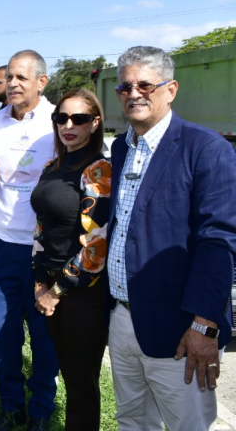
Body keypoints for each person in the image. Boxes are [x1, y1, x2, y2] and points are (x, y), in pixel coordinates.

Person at [106, 46, 236, 430]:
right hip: (123, 319)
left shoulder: (206, 149)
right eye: (125, 87)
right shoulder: (120, 147)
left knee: (187, 425)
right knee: (132, 420)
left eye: (145, 85)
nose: (134, 94)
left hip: (179, 328)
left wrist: (204, 325)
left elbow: (219, 242)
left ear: (171, 89)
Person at [0, 49, 59, 431]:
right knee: (2, 335)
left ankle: (42, 410)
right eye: (9, 77)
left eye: (22, 78)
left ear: (42, 82)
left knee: (44, 339)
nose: (12, 84)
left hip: (43, 253)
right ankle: (11, 406)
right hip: (3, 247)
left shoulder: (58, 123)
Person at [30, 88, 111, 431]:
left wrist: (56, 290)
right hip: (49, 285)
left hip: (81, 292)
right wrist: (38, 283)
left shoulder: (98, 169)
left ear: (94, 123)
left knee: (80, 384)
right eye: (61, 117)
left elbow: (97, 245)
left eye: (78, 118)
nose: (68, 125)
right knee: (66, 369)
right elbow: (40, 228)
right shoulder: (53, 165)